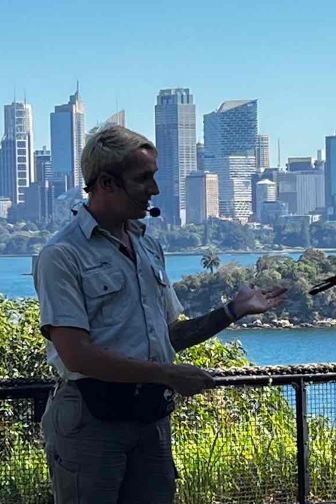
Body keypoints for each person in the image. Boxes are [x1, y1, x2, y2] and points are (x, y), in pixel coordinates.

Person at [33, 125, 288, 504]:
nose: (154, 190)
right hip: (91, 422)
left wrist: (233, 311)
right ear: (105, 183)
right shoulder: (63, 255)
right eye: (144, 179)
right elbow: (76, 354)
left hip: (150, 419)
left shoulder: (147, 246)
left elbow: (170, 335)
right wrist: (167, 374)